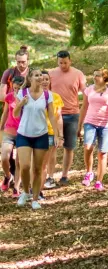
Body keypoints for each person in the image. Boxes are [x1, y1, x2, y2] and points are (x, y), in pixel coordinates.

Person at [13, 69, 61, 210]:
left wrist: (57, 135)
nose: (40, 77)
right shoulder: (22, 93)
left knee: (38, 169)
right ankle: (25, 192)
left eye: (41, 75)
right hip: (24, 134)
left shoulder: (47, 95)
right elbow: (15, 114)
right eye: (37, 75)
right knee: (25, 166)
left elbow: (52, 116)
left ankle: (35, 199)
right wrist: (21, 103)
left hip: (41, 135)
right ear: (30, 78)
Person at [48, 50, 86, 186]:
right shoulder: (51, 74)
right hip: (54, 114)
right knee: (52, 146)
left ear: (70, 61)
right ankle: (50, 176)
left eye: (65, 62)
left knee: (69, 147)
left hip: (72, 114)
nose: (63, 65)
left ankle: (64, 175)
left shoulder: (78, 74)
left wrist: (83, 120)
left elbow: (86, 94)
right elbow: (46, 93)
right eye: (60, 63)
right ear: (57, 62)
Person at [78, 68, 108, 191]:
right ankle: (89, 172)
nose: (95, 77)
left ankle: (99, 181)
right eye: (94, 75)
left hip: (105, 124)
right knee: (88, 147)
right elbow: (84, 107)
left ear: (104, 78)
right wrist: (79, 125)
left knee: (102, 153)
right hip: (90, 122)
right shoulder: (89, 89)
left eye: (98, 76)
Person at [0, 72, 25, 196]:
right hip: (9, 131)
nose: (16, 90)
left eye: (19, 88)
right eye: (14, 88)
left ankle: (16, 187)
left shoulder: (27, 98)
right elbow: (5, 113)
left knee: (19, 161)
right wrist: (1, 127)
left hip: (23, 132)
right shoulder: (9, 97)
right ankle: (8, 176)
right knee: (4, 156)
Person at [39, 70, 63, 192]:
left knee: (51, 156)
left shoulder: (56, 97)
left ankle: (50, 177)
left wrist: (60, 135)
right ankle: (37, 182)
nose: (44, 81)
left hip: (51, 131)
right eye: (42, 79)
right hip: (37, 132)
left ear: (50, 81)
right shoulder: (33, 96)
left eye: (47, 79)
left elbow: (58, 117)